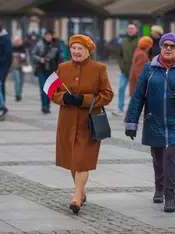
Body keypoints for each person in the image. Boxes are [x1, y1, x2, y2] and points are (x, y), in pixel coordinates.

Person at [125, 32, 175, 213]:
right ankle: (159, 187)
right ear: (160, 47)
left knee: (171, 158)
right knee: (158, 158)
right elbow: (138, 97)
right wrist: (132, 123)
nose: (168, 49)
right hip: (154, 120)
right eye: (165, 45)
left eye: (172, 46)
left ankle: (170, 196)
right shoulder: (149, 68)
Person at [52, 34, 113, 214]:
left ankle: (76, 199)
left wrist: (84, 100)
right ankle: (82, 192)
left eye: (80, 49)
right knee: (73, 162)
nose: (76, 52)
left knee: (82, 161)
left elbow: (107, 95)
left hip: (89, 123)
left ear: (88, 52)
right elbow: (53, 92)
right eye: (74, 48)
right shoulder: (62, 68)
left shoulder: (99, 69)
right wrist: (64, 97)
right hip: (67, 122)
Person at [32, 29, 62, 114]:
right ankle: (44, 106)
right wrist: (39, 59)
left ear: (52, 36)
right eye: (46, 35)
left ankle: (47, 105)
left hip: (53, 70)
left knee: (50, 89)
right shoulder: (40, 44)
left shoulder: (56, 45)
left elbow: (60, 57)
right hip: (42, 69)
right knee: (43, 88)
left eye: (49, 35)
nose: (48, 37)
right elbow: (33, 54)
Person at [112, 22, 139, 117]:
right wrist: (121, 65)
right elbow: (119, 55)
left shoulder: (139, 41)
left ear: (136, 30)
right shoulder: (123, 41)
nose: (130, 30)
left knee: (136, 91)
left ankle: (135, 109)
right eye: (129, 28)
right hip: (125, 70)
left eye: (132, 28)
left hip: (135, 72)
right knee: (121, 88)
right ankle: (120, 108)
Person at [12, 36, 27, 101]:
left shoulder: (23, 48)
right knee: (17, 81)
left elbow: (26, 56)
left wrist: (23, 56)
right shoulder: (13, 48)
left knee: (21, 81)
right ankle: (17, 94)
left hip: (22, 66)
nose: (20, 42)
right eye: (18, 41)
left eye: (20, 41)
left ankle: (20, 93)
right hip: (15, 66)